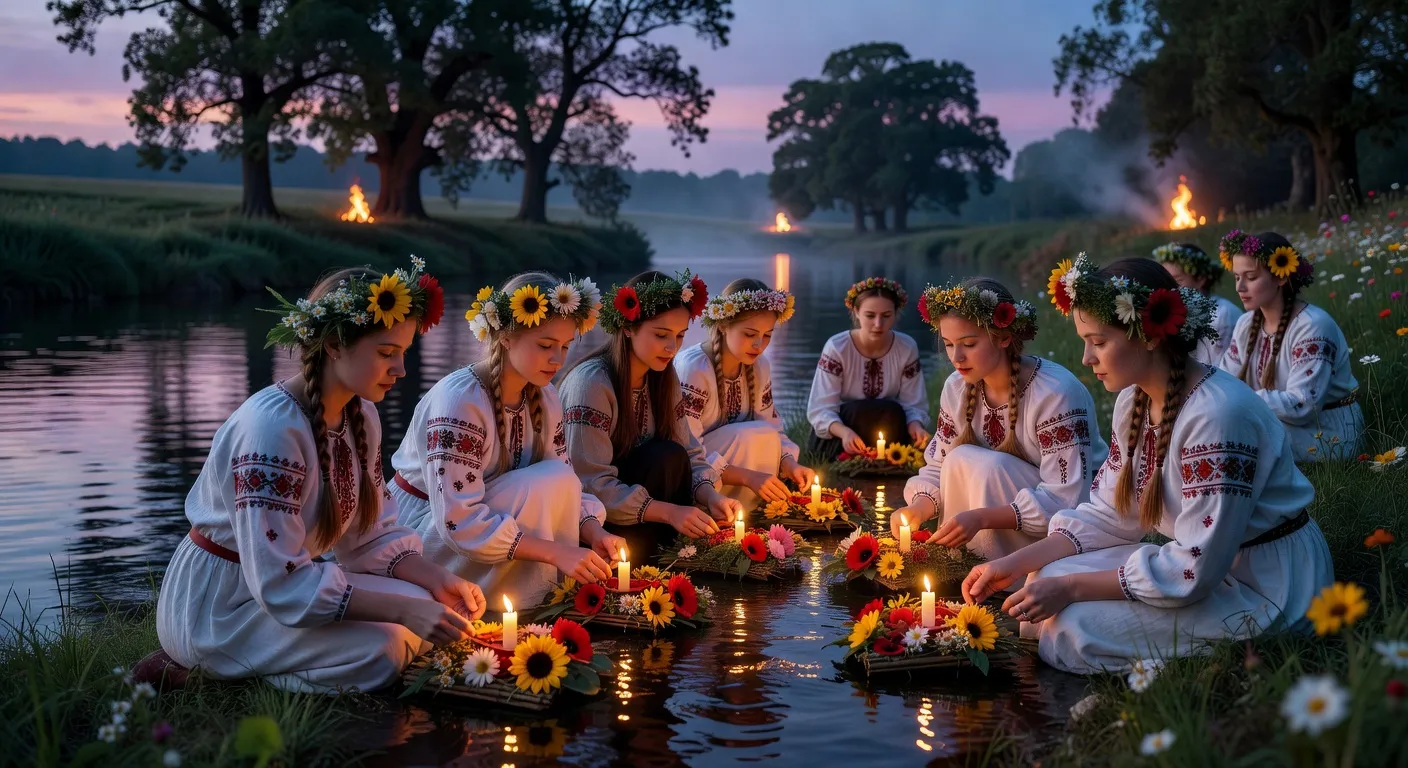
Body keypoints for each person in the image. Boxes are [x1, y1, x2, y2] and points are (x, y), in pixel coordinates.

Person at [964, 255, 1333, 674]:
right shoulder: (1133, 402)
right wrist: (1009, 564)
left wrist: (1070, 588)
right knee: (1041, 579)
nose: (1086, 358)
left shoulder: (1217, 417)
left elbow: (1196, 566)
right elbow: (1109, 514)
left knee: (1071, 626)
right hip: (1214, 566)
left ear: (1150, 335)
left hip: (1268, 586)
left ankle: (1190, 677)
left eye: (1099, 342)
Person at [151, 259, 487, 693]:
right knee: (385, 646)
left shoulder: (361, 414)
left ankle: (267, 668)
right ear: (333, 345)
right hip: (221, 608)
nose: (401, 369)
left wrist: (437, 579)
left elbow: (369, 536)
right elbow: (280, 582)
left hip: (274, 591)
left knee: (425, 609)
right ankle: (202, 675)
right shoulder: (272, 431)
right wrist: (402, 613)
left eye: (403, 353)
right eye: (386, 353)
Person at [390, 272, 625, 609]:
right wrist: (559, 552)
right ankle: (511, 609)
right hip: (425, 537)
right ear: (506, 338)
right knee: (541, 482)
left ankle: (534, 604)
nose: (558, 359)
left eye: (564, 346)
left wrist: (593, 532)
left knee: (554, 478)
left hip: (490, 523)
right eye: (545, 346)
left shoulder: (544, 396)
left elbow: (565, 481)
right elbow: (458, 522)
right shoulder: (461, 401)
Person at [889, 278, 1107, 565]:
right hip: (987, 518)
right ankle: (961, 564)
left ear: (1004, 338)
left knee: (989, 465)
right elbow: (939, 467)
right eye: (949, 344)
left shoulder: (1054, 392)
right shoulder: (957, 388)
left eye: (969, 343)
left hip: (1062, 532)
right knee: (959, 459)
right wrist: (919, 507)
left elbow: (1067, 499)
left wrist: (980, 518)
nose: (956, 357)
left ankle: (1002, 575)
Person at [559, 270, 739, 560]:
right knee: (663, 456)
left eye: (680, 336)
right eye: (660, 335)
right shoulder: (592, 384)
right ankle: (641, 561)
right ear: (628, 328)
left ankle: (666, 555)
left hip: (651, 514)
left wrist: (710, 495)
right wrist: (671, 513)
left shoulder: (663, 378)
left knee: (670, 454)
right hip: (599, 526)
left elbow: (689, 451)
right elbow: (589, 483)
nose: (672, 348)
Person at [1217, 230, 1362, 461]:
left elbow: (1303, 405)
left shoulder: (1312, 326)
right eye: (1236, 277)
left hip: (1327, 431)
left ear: (1281, 277)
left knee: (1236, 436)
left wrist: (1241, 401)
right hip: (1275, 421)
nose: (1239, 287)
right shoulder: (1246, 324)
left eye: (1251, 277)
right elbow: (1224, 381)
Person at [674, 278, 816, 510]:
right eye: (749, 334)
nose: (759, 345)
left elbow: (773, 428)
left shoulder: (760, 367)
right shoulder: (696, 368)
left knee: (764, 433)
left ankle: (750, 512)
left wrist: (789, 463)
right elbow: (686, 449)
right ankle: (715, 508)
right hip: (695, 477)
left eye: (767, 335)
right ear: (723, 325)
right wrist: (750, 477)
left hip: (736, 472)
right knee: (751, 434)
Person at [806, 277, 930, 461]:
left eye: (886, 316)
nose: (878, 324)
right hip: (842, 436)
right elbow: (821, 408)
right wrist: (844, 432)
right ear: (856, 311)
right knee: (858, 410)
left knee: (891, 410)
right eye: (870, 316)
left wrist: (915, 424)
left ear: (896, 313)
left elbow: (913, 403)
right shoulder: (837, 347)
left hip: (890, 432)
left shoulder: (906, 347)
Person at [1155, 242, 1243, 365]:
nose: (1171, 289)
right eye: (1166, 282)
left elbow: (1220, 371)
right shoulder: (1174, 317)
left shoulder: (1222, 315)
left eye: (1178, 281)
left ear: (1201, 279)